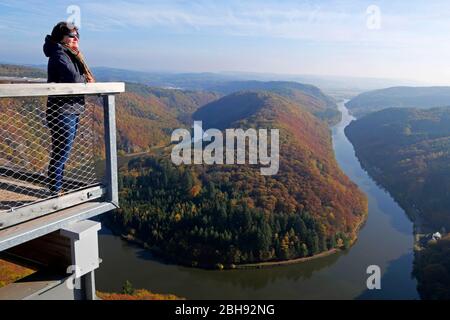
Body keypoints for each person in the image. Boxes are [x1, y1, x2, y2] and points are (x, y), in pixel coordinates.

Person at [43, 21, 95, 195]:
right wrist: (83, 73)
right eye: (72, 36)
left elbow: (77, 77)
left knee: (62, 153)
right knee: (61, 154)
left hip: (70, 110)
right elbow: (74, 79)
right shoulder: (59, 53)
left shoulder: (67, 53)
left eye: (77, 36)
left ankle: (57, 189)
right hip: (62, 111)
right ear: (61, 38)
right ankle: (55, 191)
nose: (76, 39)